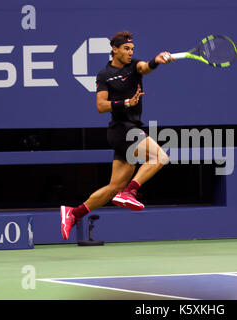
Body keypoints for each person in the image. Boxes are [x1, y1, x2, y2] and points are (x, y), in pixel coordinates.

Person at [60, 31, 174, 240]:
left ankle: (73, 213)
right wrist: (125, 103)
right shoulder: (104, 75)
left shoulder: (135, 67)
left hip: (129, 128)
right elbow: (100, 106)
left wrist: (156, 61)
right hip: (121, 129)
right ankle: (130, 192)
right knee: (160, 157)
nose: (130, 53)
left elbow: (145, 67)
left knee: (114, 187)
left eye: (132, 49)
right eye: (126, 49)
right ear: (115, 49)